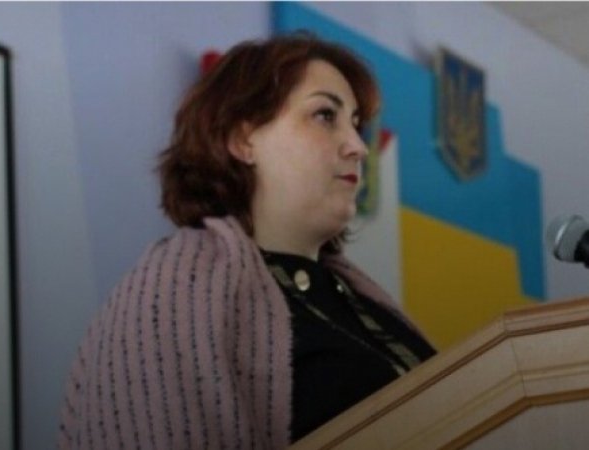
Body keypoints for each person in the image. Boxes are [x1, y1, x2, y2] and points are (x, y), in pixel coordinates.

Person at [58, 33, 436, 450]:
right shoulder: (171, 285)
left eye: (356, 123)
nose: (359, 147)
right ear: (242, 140)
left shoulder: (360, 297)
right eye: (325, 115)